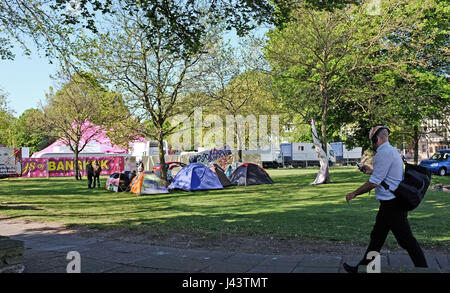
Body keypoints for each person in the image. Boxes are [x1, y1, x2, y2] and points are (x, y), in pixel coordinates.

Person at [343, 126, 427, 273]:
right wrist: (372, 171)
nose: (371, 142)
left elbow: (374, 182)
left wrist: (354, 193)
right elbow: (387, 176)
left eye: (372, 139)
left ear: (376, 139)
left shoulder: (383, 153)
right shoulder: (391, 150)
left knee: (406, 240)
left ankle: (424, 268)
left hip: (392, 204)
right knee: (377, 237)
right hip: (390, 203)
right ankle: (364, 266)